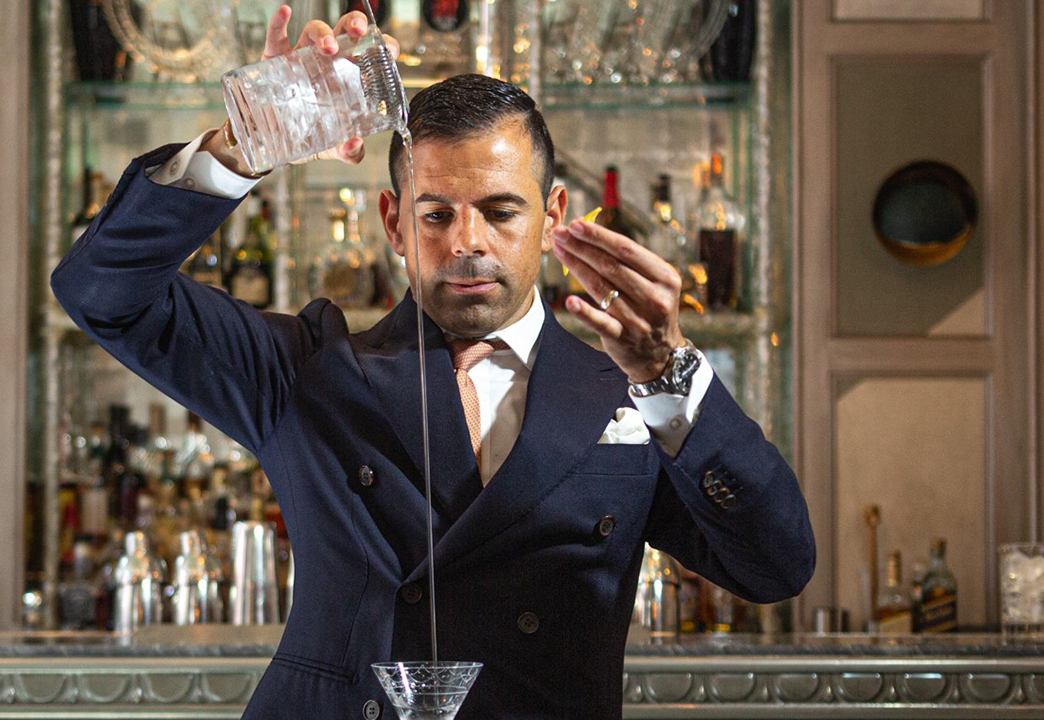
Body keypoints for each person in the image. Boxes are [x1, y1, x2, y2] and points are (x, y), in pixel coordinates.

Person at [50, 7, 813, 718]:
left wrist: (672, 376)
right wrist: (240, 148)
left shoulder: (627, 391)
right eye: (436, 214)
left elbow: (774, 567)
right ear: (393, 221)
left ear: (552, 218)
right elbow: (100, 292)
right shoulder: (310, 371)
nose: (467, 243)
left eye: (501, 211)